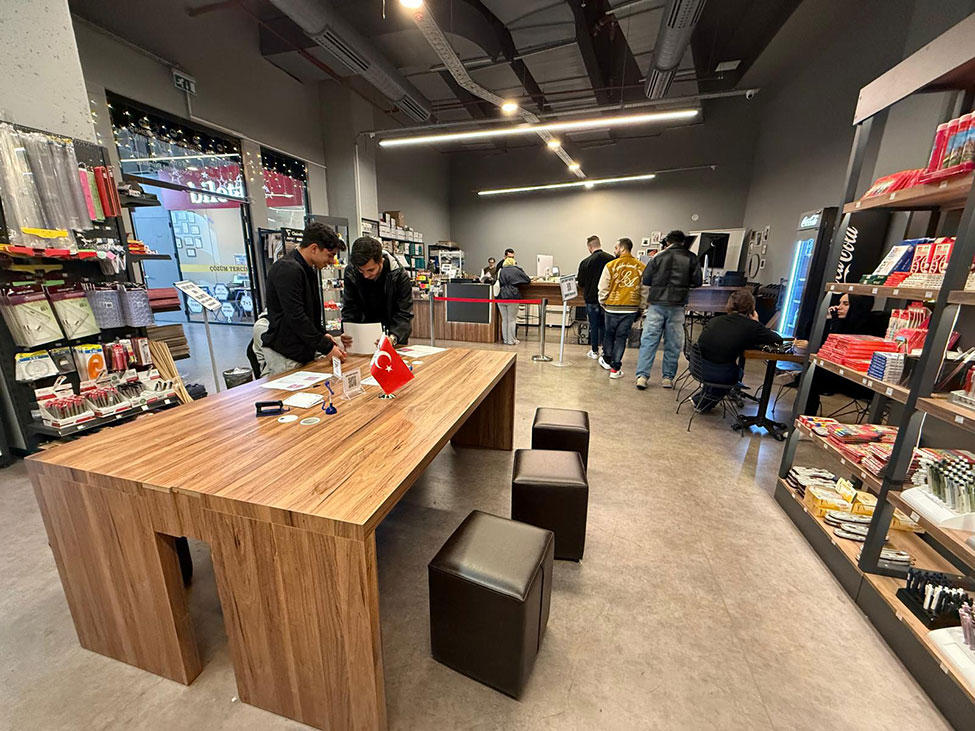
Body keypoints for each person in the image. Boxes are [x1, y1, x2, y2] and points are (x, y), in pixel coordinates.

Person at [262, 222, 348, 376]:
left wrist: (321, 333)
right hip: (287, 353)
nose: (331, 261)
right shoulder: (288, 269)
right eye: (330, 255)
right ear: (314, 248)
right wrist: (327, 348)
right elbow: (296, 317)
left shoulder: (307, 269)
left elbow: (309, 312)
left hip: (302, 350)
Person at [693, 289, 783, 411]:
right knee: (737, 372)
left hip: (699, 367)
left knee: (720, 362)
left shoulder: (715, 320)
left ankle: (702, 400)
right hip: (722, 374)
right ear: (752, 307)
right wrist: (756, 322)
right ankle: (704, 404)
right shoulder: (751, 326)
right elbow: (777, 339)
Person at [635, 230, 702, 390]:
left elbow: (647, 279)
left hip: (656, 304)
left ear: (667, 242)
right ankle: (667, 378)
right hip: (677, 305)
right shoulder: (691, 257)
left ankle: (642, 376)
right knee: (673, 344)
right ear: (683, 242)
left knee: (649, 341)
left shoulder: (658, 257)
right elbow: (697, 281)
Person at [804, 293, 888, 415]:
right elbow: (817, 342)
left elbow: (840, 344)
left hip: (858, 376)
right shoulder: (842, 321)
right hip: (840, 370)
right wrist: (827, 319)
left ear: (857, 306)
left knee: (813, 375)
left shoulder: (870, 325)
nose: (839, 307)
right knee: (811, 373)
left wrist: (836, 322)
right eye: (839, 303)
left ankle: (805, 415)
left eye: (846, 304)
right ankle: (803, 416)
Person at [342, 235, 414, 346]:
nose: (366, 275)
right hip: (362, 339)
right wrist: (347, 331)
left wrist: (394, 337)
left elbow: (404, 314)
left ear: (381, 261)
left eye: (371, 270)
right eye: (361, 270)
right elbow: (349, 308)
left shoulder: (399, 275)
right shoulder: (351, 273)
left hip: (392, 337)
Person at [597, 238, 647, 379]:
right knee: (621, 338)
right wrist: (641, 307)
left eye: (616, 248)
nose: (614, 250)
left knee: (609, 334)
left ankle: (607, 359)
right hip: (630, 308)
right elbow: (644, 290)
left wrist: (603, 303)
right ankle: (615, 369)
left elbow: (603, 287)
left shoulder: (610, 265)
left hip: (611, 307)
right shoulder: (641, 267)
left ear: (622, 249)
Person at [576, 234, 614, 361]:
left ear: (589, 246)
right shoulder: (611, 260)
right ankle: (604, 350)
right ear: (599, 244)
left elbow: (581, 283)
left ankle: (594, 350)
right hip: (607, 299)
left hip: (591, 298)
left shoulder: (585, 262)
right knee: (605, 325)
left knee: (594, 325)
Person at [495, 256, 530, 345]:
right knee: (512, 320)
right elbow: (527, 280)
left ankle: (505, 340)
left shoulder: (501, 270)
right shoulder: (516, 270)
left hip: (500, 296)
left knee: (504, 320)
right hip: (512, 295)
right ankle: (512, 340)